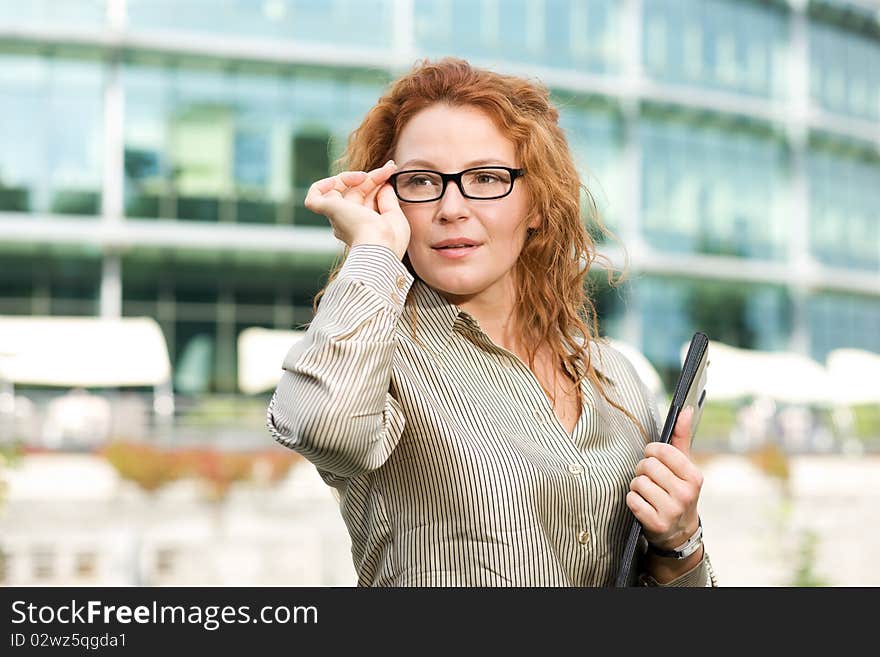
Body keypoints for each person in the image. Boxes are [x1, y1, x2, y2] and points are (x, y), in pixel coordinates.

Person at [267, 58, 715, 587]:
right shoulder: (378, 354)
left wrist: (678, 543)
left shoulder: (614, 377)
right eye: (420, 181)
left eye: (485, 177)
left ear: (538, 205)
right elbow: (318, 425)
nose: (451, 207)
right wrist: (373, 248)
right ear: (390, 197)